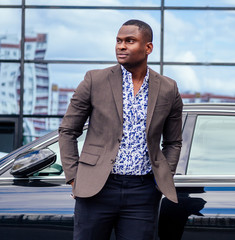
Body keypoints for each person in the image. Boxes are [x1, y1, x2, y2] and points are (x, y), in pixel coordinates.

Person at [58, 19, 183, 240]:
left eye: (129, 41)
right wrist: (74, 178)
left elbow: (173, 142)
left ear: (148, 48)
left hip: (142, 193)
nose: (121, 46)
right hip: (96, 189)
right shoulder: (94, 80)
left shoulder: (168, 88)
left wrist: (162, 178)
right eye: (118, 41)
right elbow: (68, 130)